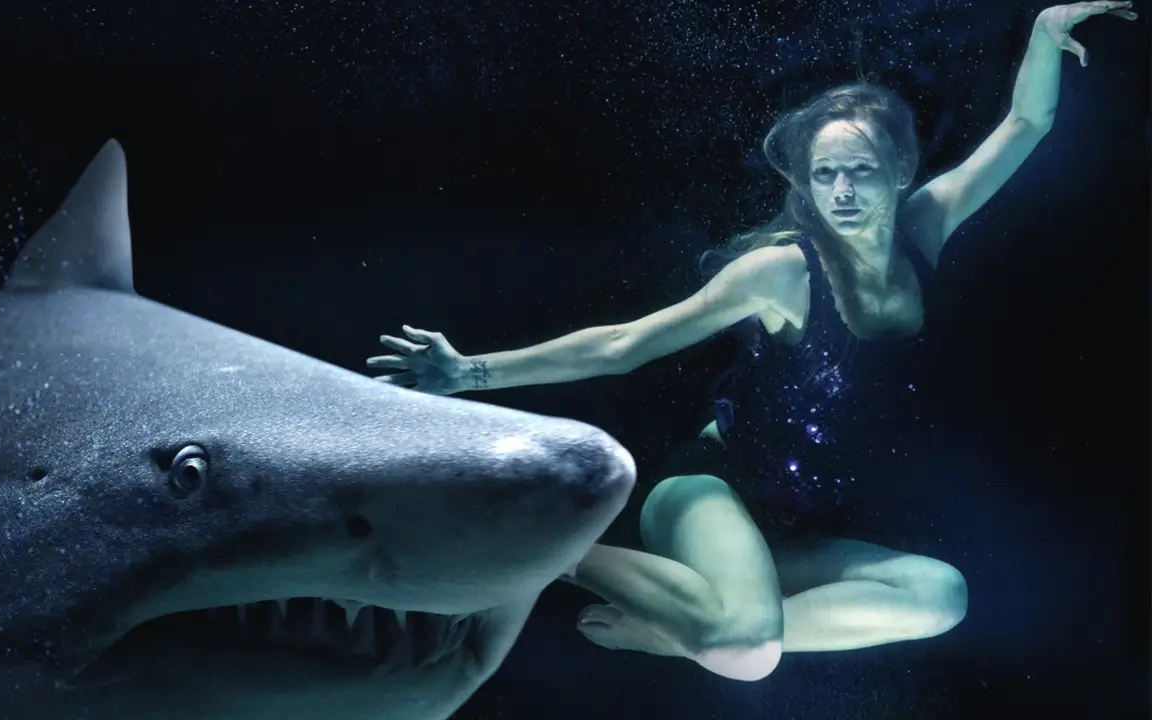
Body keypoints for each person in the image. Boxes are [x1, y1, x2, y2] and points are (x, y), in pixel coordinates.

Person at [365, 2, 1137, 682]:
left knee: (942, 595)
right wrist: (467, 372)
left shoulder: (925, 229)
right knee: (747, 652)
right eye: (825, 172)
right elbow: (627, 343)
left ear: (900, 173)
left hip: (796, 526)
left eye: (860, 172)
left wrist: (1041, 33)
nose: (840, 191)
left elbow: (1025, 125)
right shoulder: (779, 273)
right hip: (710, 492)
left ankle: (680, 635)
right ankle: (539, 552)